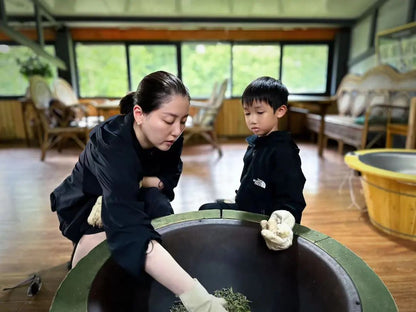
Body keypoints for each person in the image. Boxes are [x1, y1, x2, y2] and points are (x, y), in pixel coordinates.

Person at [50, 71, 227, 311]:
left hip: (129, 193)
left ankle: (155, 271)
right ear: (139, 114)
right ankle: (83, 258)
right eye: (168, 120)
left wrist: (140, 182)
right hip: (87, 203)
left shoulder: (171, 136)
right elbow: (129, 226)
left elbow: (169, 178)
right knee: (107, 241)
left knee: (160, 207)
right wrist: (199, 299)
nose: (177, 130)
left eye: (183, 121)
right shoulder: (112, 144)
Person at [200, 76, 306, 251]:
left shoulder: (284, 153)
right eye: (247, 113)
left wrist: (281, 224)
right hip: (246, 208)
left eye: (260, 112)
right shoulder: (257, 143)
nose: (252, 119)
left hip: (263, 222)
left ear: (279, 111)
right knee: (206, 210)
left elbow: (292, 200)